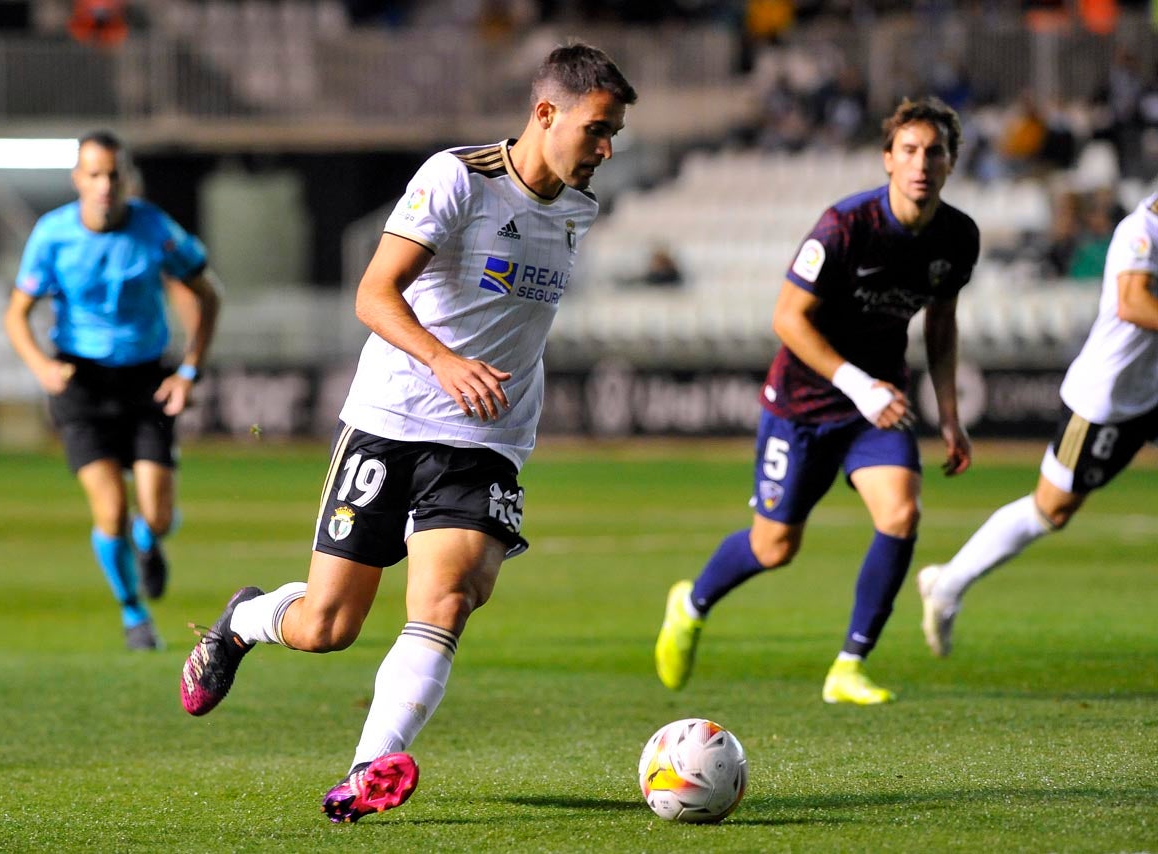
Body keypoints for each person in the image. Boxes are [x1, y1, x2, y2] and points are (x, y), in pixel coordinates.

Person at [179, 43, 636, 822]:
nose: (606, 149)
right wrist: (444, 361)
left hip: (486, 438)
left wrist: (476, 380)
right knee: (328, 626)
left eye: (613, 134)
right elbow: (372, 293)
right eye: (597, 129)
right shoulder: (456, 178)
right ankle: (244, 620)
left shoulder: (578, 208)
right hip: (390, 420)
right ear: (545, 113)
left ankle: (366, 770)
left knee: (449, 597)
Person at [655, 96, 979, 706]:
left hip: (876, 410)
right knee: (774, 547)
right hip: (802, 406)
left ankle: (848, 666)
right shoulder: (845, 226)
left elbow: (941, 324)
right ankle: (691, 603)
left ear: (950, 164)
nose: (921, 163)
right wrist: (856, 382)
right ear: (887, 158)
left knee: (901, 514)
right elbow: (787, 318)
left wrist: (951, 416)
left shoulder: (957, 237)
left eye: (934, 152)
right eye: (908, 150)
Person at [4, 129, 221, 651]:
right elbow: (17, 314)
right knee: (110, 511)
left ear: (127, 179)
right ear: (78, 179)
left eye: (113, 174)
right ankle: (134, 617)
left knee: (159, 515)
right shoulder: (52, 234)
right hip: (80, 382)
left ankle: (150, 543)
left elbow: (207, 297)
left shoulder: (155, 229)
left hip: (146, 379)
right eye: (94, 174)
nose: (104, 185)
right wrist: (41, 367)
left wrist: (188, 371)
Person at [917, 190, 1158, 658]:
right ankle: (948, 584)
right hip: (1107, 402)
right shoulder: (1141, 231)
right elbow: (1132, 303)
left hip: (1151, 392)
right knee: (1052, 509)